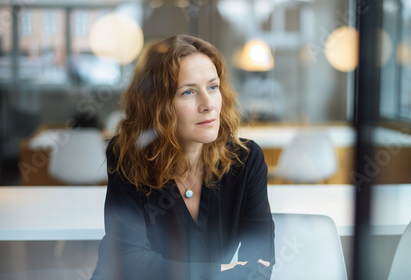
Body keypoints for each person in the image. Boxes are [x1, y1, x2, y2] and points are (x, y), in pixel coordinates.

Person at [91, 34, 275, 280]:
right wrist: (216, 272)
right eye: (188, 92)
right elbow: (128, 262)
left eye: (213, 87)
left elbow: (260, 264)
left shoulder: (246, 159)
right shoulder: (128, 156)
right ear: (157, 105)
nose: (208, 104)